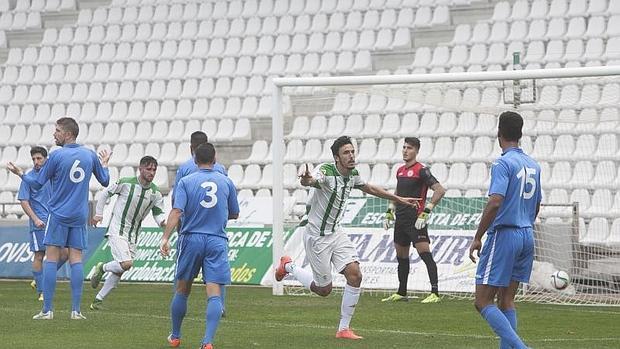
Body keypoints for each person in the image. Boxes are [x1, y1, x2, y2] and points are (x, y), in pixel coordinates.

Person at [275, 136, 419, 340]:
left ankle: (344, 329)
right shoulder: (326, 171)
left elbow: (370, 188)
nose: (351, 156)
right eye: (346, 152)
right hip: (317, 237)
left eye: (352, 151)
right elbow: (312, 180)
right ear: (336, 158)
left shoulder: (353, 174)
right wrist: (306, 179)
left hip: (336, 232)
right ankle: (288, 266)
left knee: (355, 274)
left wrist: (398, 199)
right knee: (324, 289)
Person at [8, 117, 110, 320]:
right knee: (76, 260)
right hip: (80, 215)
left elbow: (36, 184)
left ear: (68, 134)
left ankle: (47, 310)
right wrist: (104, 165)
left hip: (58, 215)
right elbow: (105, 181)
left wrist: (20, 174)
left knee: (52, 259)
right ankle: (76, 311)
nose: (54, 134)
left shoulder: (56, 156)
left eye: (57, 131)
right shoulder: (89, 154)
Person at [469, 111, 541, 349]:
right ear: (520, 134)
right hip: (527, 234)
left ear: (499, 133)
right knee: (507, 299)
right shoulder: (533, 165)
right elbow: (537, 203)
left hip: (505, 235)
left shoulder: (502, 163)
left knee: (482, 301)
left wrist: (478, 236)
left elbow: (495, 201)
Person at [160, 143, 239, 349]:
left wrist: (165, 238)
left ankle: (176, 336)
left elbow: (177, 211)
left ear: (195, 160)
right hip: (216, 240)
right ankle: (207, 342)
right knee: (214, 292)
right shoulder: (226, 182)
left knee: (183, 289)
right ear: (215, 159)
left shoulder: (186, 182)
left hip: (191, 238)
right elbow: (234, 213)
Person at [89, 156, 166, 310]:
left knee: (121, 269)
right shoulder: (126, 183)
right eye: (149, 169)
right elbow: (105, 194)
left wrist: (164, 222)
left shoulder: (155, 193)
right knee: (126, 263)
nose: (152, 172)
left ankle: (98, 300)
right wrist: (99, 214)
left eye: (154, 170)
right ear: (141, 169)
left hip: (133, 234)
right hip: (117, 229)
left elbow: (158, 214)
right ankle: (102, 267)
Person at [382, 137, 446, 304]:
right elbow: (397, 191)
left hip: (415, 219)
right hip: (400, 219)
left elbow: (439, 190)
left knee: (425, 254)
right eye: (403, 147)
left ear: (416, 151)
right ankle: (402, 292)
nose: (405, 150)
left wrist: (426, 211)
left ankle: (435, 293)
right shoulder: (400, 170)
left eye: (409, 148)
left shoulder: (422, 171)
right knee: (401, 257)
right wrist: (390, 210)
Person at [173, 130, 229, 315]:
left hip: (191, 228)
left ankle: (179, 303)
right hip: (215, 229)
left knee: (183, 275)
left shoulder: (185, 169)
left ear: (191, 148)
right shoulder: (220, 169)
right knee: (217, 270)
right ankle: (220, 305)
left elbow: (177, 202)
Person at [16, 146, 68, 301]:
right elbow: (24, 201)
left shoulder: (53, 176)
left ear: (46, 159)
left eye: (39, 158)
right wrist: (35, 219)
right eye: (33, 159)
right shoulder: (29, 177)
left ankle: (42, 277)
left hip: (55, 221)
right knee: (39, 255)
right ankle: (42, 291)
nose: (36, 162)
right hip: (39, 223)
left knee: (64, 254)